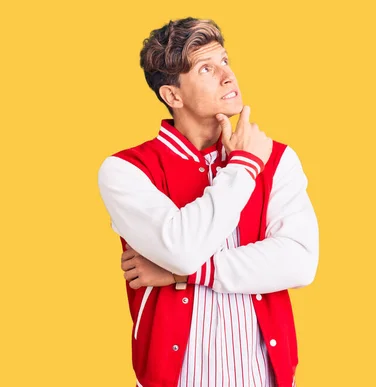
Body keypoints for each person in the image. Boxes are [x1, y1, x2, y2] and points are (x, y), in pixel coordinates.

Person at [97, 17, 319, 387]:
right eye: (206, 68)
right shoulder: (125, 170)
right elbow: (181, 248)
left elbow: (299, 262)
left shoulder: (279, 159)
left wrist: (179, 275)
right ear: (173, 96)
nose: (228, 76)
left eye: (226, 61)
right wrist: (244, 166)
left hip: (264, 377)